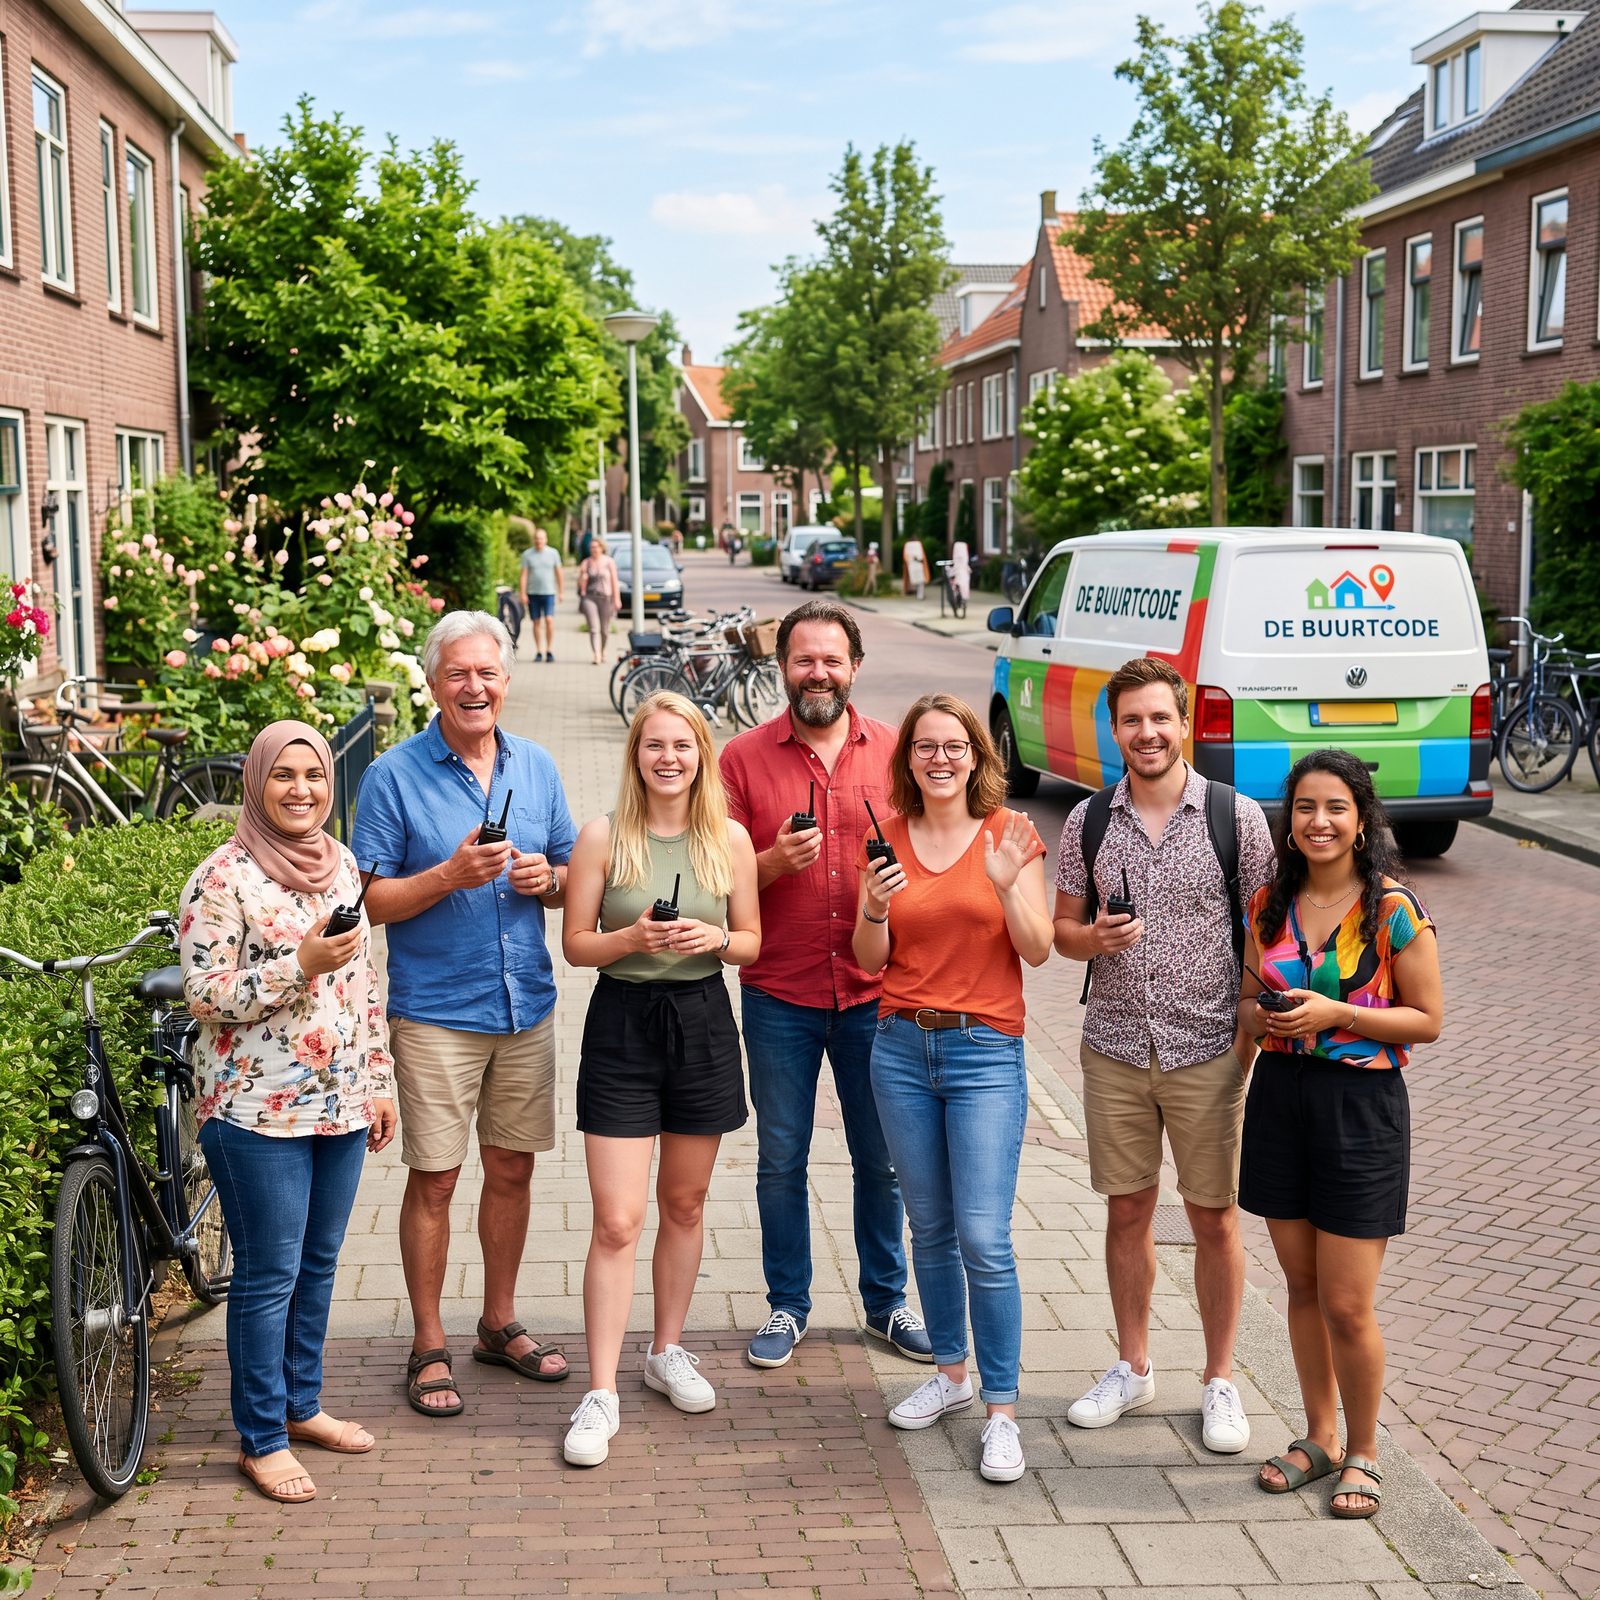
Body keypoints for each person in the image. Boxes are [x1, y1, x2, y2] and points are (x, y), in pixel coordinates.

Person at [351, 610, 575, 1419]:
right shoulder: (392, 775)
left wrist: (547, 880)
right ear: (433, 683)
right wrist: (449, 874)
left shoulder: (537, 765)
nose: (474, 686)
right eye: (458, 674)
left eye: (487, 672)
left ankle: (497, 1322)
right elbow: (367, 902)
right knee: (437, 1178)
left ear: (507, 680)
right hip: (437, 1011)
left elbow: (571, 871)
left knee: (512, 1168)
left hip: (525, 1006)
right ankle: (426, 1340)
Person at [1051, 656, 1274, 1455]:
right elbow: (1061, 930)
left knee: (1213, 1216)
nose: (1146, 733)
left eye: (1159, 718)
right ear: (1114, 731)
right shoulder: (1088, 821)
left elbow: (1265, 933)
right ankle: (1133, 1366)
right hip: (1114, 1045)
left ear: (1184, 724)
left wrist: (1246, 1039)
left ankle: (1219, 1380)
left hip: (1208, 1046)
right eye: (1131, 721)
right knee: (1127, 1210)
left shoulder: (1235, 817)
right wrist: (1092, 939)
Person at [179, 720, 398, 1504]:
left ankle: (301, 1407)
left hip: (339, 1102)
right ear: (256, 782)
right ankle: (261, 1437)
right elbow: (205, 996)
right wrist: (297, 964)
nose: (301, 789)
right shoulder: (222, 877)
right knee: (269, 1273)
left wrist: (378, 1080)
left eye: (313, 775)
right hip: (254, 1109)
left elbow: (363, 987)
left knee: (318, 1262)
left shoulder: (342, 865)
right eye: (283, 775)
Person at [719, 599, 932, 1369]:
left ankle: (886, 1303)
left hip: (878, 996)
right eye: (803, 659)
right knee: (782, 1159)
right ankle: (788, 1304)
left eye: (831, 660)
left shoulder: (898, 751)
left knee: (883, 1160)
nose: (818, 673)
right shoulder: (740, 759)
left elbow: (935, 852)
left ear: (855, 668)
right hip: (779, 992)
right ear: (781, 667)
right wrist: (771, 863)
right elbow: (715, 878)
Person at [559, 691, 761, 1465]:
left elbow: (751, 941)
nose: (668, 758)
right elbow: (577, 943)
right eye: (655, 745)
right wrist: (632, 938)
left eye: (682, 745)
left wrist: (716, 937)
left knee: (684, 1202)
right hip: (621, 1024)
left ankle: (665, 1350)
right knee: (617, 1220)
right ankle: (600, 1391)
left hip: (703, 1021)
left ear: (701, 754)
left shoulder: (729, 839)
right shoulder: (603, 836)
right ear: (635, 755)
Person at [853, 694, 1051, 1483]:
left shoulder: (1012, 833)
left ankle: (1002, 1411)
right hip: (900, 1048)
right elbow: (869, 959)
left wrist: (1005, 886)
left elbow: (1037, 949)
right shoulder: (887, 837)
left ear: (976, 755)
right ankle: (950, 1374)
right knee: (928, 1227)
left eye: (954, 746)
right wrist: (874, 906)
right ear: (907, 759)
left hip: (984, 1054)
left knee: (983, 1237)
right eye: (925, 747)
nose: (940, 759)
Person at [1242, 750, 1442, 1518]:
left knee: (1348, 1302)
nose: (1318, 822)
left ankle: (1365, 1452)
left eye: (1335, 808)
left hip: (1361, 1109)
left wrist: (1338, 1014)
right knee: (1300, 1286)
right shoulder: (1269, 903)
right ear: (1289, 821)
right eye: (1304, 808)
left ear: (1361, 822)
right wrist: (1263, 1020)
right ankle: (1320, 1437)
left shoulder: (1393, 909)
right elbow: (1247, 1005)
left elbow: (1427, 1019)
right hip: (1280, 1098)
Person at [519, 526, 565, 663]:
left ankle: (549, 650)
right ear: (534, 540)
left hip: (549, 592)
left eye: (541, 538)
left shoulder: (553, 553)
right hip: (533, 593)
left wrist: (561, 591)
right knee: (536, 622)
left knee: (549, 620)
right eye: (537, 538)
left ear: (546, 539)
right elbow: (524, 575)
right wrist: (522, 593)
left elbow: (559, 573)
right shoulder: (527, 554)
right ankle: (539, 650)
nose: (539, 541)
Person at [577, 535, 622, 666]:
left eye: (596, 547)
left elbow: (614, 581)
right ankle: (596, 654)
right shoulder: (586, 562)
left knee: (604, 630)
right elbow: (579, 584)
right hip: (589, 597)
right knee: (594, 628)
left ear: (602, 548)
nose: (594, 549)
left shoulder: (609, 562)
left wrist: (617, 599)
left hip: (605, 598)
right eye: (592, 547)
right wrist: (582, 577)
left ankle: (602, 650)